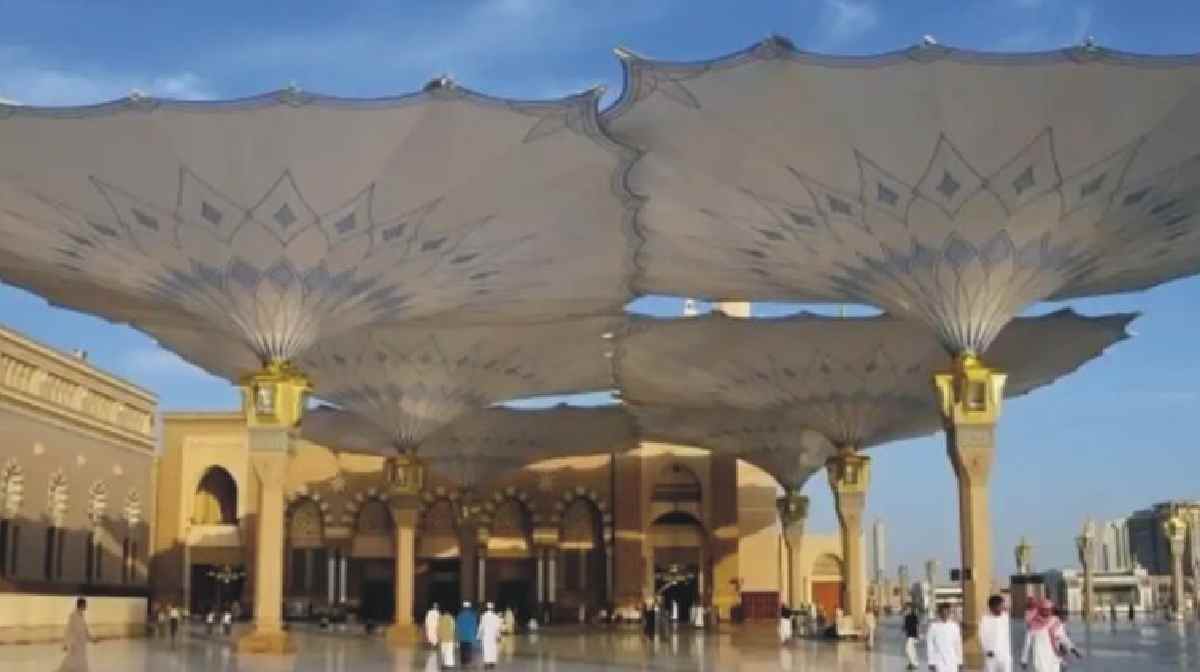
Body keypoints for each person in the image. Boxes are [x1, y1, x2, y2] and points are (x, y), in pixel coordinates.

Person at [1021, 598, 1081, 672]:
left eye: (1049, 610)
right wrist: (1024, 659)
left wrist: (1073, 649)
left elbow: (1063, 637)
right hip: (1040, 659)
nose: (1047, 612)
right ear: (1040, 610)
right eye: (1044, 609)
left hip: (1054, 658)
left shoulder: (1055, 621)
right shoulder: (1033, 625)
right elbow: (1027, 643)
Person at [56, 598, 95, 672]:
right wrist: (66, 644)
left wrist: (91, 639)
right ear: (81, 605)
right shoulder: (73, 616)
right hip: (75, 644)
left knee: (79, 661)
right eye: (85, 604)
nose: (86, 606)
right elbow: (68, 630)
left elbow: (85, 629)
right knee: (71, 661)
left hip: (81, 645)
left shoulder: (81, 616)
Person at [980, 595, 1013, 672]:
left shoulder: (1007, 618)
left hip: (1005, 655)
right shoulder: (985, 619)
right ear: (991, 607)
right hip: (991, 655)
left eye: (1001, 605)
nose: (1001, 607)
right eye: (998, 605)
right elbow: (982, 636)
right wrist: (987, 650)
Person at [926, 604, 962, 672]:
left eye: (947, 612)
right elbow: (930, 645)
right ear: (939, 613)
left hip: (952, 661)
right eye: (943, 613)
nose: (945, 615)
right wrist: (931, 662)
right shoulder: (933, 627)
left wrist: (960, 661)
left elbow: (958, 645)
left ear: (949, 613)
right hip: (939, 661)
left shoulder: (954, 626)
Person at [478, 602, 503, 669]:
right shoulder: (496, 617)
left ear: (486, 608)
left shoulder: (483, 616)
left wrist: (479, 636)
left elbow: (481, 627)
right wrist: (499, 636)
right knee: (493, 649)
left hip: (486, 636)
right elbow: (498, 628)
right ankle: (492, 663)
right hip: (493, 636)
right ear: (492, 609)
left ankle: (486, 663)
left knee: (486, 649)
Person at [456, 601, 478, 666]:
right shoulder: (472, 615)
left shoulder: (460, 615)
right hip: (469, 635)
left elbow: (457, 626)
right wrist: (475, 634)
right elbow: (475, 626)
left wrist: (457, 635)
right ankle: (468, 661)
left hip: (462, 635)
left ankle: (463, 661)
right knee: (468, 649)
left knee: (462, 649)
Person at [903, 604, 921, 670]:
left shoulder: (913, 616)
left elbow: (917, 626)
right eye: (906, 609)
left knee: (908, 649)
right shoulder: (906, 617)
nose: (907, 610)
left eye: (908, 609)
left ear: (911, 609)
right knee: (911, 649)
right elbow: (905, 627)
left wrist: (918, 635)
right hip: (909, 635)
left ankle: (914, 663)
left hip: (913, 635)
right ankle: (912, 663)